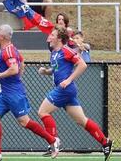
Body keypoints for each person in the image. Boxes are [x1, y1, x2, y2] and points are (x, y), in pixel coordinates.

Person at [0, 24, 60, 161]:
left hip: (14, 94)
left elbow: (14, 69)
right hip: (3, 93)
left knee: (24, 122)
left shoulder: (8, 51)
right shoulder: (8, 49)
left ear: (3, 36)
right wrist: (18, 75)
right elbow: (21, 61)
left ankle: (52, 140)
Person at [36, 26, 112, 160]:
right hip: (65, 91)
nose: (49, 38)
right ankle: (105, 142)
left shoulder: (66, 50)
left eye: (52, 35)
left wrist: (68, 80)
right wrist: (46, 71)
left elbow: (83, 65)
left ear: (59, 38)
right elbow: (55, 70)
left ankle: (54, 141)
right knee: (81, 120)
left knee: (42, 112)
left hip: (65, 89)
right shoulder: (54, 53)